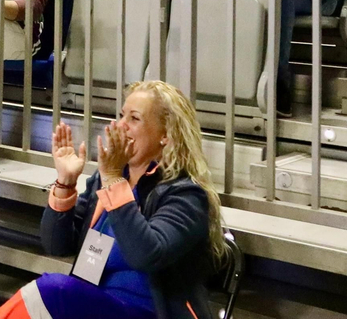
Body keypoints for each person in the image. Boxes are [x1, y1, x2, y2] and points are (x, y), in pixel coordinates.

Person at [15, 81, 223, 319]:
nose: (121, 125)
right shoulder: (106, 179)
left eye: (134, 118)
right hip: (94, 306)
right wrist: (66, 182)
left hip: (150, 313)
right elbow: (56, 245)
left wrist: (113, 181)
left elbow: (146, 254)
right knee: (53, 294)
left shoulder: (185, 194)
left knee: (53, 291)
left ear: (165, 134)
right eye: (122, 115)